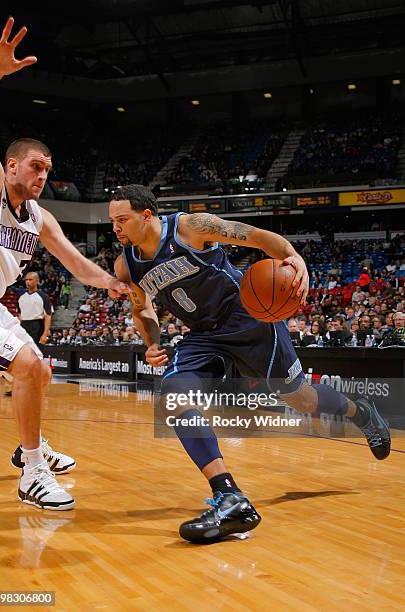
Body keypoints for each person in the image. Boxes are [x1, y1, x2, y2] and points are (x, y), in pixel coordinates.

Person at [109, 184, 391, 544]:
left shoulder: (190, 227)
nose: (115, 228)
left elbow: (256, 237)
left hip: (249, 320)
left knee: (300, 399)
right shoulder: (126, 263)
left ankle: (360, 411)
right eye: (112, 221)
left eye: (122, 219)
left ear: (146, 215)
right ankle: (230, 496)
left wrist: (293, 256)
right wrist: (151, 342)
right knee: (172, 396)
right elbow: (141, 308)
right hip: (204, 335)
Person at [0, 17, 129, 510]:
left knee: (39, 371)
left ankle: (30, 450)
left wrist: (113, 284)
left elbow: (76, 265)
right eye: (35, 166)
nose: (43, 176)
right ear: (11, 165)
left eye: (48, 170)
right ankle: (31, 471)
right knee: (29, 367)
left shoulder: (41, 217)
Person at [18, 272, 52, 346]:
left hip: (37, 326)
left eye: (30, 279)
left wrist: (45, 334)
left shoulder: (43, 296)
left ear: (37, 281)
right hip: (23, 325)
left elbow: (48, 316)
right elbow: (20, 315)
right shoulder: (21, 297)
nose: (27, 282)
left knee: (36, 352)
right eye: (26, 280)